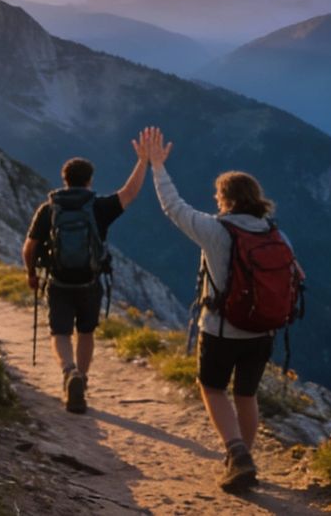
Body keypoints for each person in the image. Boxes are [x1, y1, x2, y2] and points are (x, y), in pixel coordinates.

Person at [138, 126, 292, 493]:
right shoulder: (276, 234)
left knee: (211, 387)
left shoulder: (215, 231)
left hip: (221, 329)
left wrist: (157, 166)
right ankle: (243, 458)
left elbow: (173, 207)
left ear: (224, 199)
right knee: (247, 394)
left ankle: (237, 454)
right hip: (264, 331)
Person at [23, 144, 148, 413]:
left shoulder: (49, 209)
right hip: (90, 282)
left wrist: (31, 274)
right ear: (90, 179)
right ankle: (82, 377)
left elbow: (29, 247)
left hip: (58, 282)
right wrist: (143, 161)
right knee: (86, 332)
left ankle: (69, 372)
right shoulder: (99, 207)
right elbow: (130, 193)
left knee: (60, 332)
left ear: (64, 178)